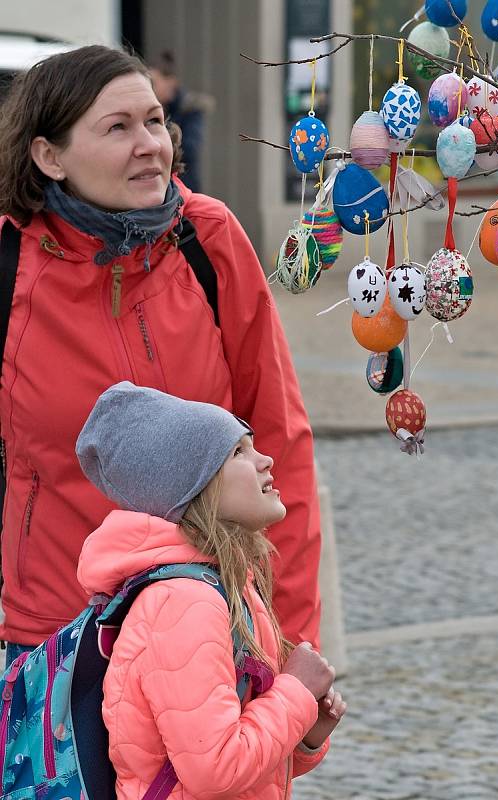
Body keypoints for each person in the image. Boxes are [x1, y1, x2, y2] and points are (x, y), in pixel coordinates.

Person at [0, 45, 322, 663]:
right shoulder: (9, 266)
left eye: (153, 120)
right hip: (56, 641)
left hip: (207, 629)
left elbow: (281, 443)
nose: (149, 142)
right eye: (117, 128)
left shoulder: (210, 239)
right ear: (50, 155)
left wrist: (290, 647)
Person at [75, 381, 346, 799]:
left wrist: (306, 732)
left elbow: (245, 753)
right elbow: (214, 770)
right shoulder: (184, 603)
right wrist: (295, 693)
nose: (266, 460)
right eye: (238, 452)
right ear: (190, 488)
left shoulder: (224, 585)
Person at [149, 50, 214, 193]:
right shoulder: (153, 108)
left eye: (154, 82)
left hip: (185, 186)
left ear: (171, 81)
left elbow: (190, 149)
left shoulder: (189, 108)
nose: (151, 87)